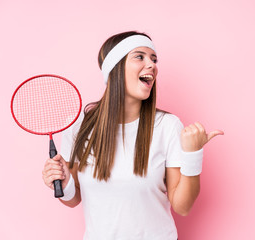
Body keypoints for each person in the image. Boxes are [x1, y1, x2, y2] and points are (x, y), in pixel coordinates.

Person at [42, 31, 224, 240]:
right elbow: (73, 198)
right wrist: (63, 182)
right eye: (140, 56)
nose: (152, 65)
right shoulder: (80, 127)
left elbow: (182, 207)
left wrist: (193, 155)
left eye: (154, 59)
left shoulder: (167, 126)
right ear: (115, 68)